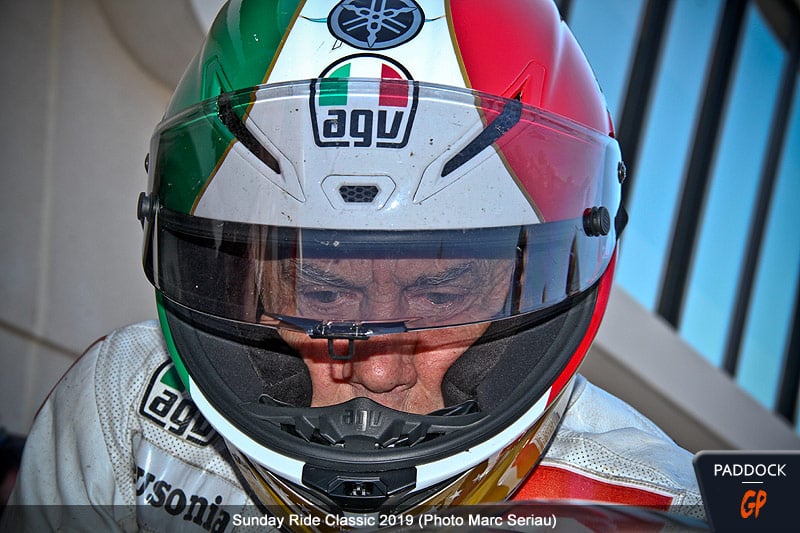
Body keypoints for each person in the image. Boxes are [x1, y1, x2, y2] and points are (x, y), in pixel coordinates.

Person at [4, 0, 705, 530]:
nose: (376, 370)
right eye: (323, 290)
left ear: (531, 288)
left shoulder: (643, 504)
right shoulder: (128, 414)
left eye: (441, 292)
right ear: (246, 284)